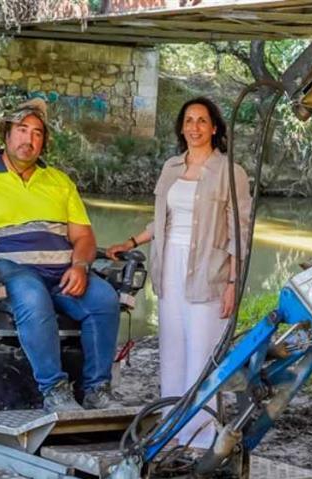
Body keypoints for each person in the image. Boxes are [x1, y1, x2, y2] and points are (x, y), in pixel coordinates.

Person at [0, 98, 120, 413]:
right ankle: (55, 390)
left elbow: (84, 237)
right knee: (32, 295)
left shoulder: (60, 182)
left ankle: (96, 389)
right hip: (6, 270)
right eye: (22, 130)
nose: (29, 140)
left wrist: (80, 265)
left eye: (37, 134)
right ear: (6, 135)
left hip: (60, 271)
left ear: (44, 142)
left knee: (104, 299)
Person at [107, 97, 252, 449]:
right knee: (171, 349)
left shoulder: (230, 171)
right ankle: (172, 427)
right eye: (189, 120)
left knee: (202, 354)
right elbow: (162, 220)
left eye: (202, 121)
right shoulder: (171, 167)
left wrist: (234, 282)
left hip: (209, 269)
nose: (195, 127)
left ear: (214, 128)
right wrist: (131, 241)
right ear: (181, 127)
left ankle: (201, 437)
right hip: (169, 265)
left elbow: (240, 230)